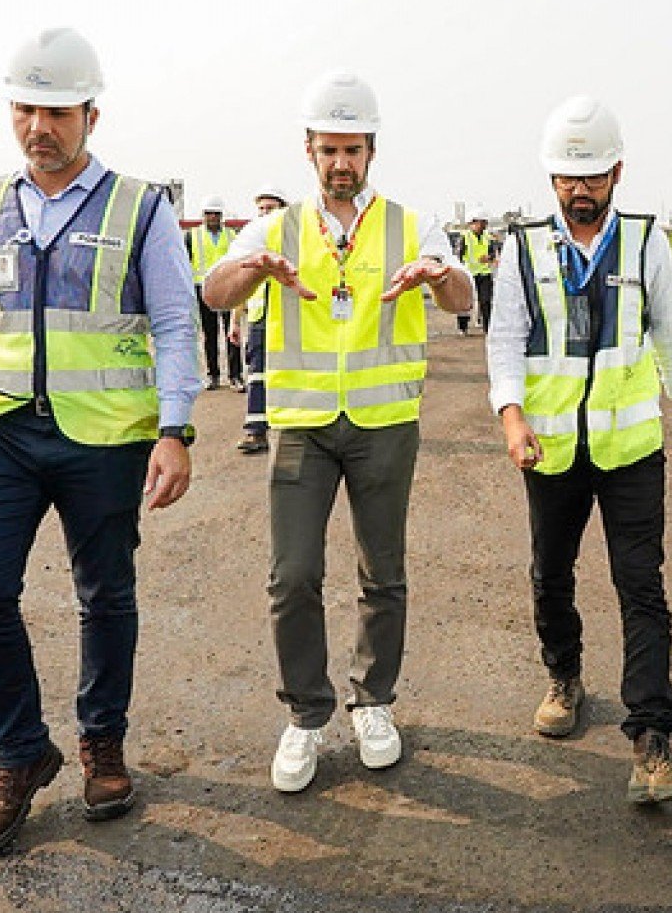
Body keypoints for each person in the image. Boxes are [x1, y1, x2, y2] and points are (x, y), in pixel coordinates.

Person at [0, 28, 199, 855]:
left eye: (59, 110)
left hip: (104, 436)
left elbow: (177, 322)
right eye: (27, 108)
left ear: (91, 116)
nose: (42, 125)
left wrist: (174, 427)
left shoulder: (141, 207)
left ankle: (101, 743)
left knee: (105, 595)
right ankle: (20, 752)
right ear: (12, 111)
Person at [201, 70, 472, 793]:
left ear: (372, 152)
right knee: (293, 576)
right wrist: (251, 270)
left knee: (382, 573)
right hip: (303, 429)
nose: (341, 163)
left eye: (353, 150)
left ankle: (373, 702)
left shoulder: (411, 226)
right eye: (329, 150)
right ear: (309, 151)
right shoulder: (279, 225)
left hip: (384, 424)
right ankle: (305, 715)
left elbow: (462, 293)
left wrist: (436, 275)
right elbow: (214, 290)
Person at [486, 96, 672, 805]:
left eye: (590, 178)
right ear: (551, 179)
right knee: (551, 573)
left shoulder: (648, 242)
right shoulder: (521, 247)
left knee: (642, 585)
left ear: (617, 172)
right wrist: (511, 418)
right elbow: (504, 341)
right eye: (565, 179)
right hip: (549, 449)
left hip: (631, 449)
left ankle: (652, 741)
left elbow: (669, 331)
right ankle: (565, 673)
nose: (578, 191)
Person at [230, 183, 287, 454]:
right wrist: (234, 321)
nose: (265, 213)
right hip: (258, 318)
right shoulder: (250, 244)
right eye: (261, 208)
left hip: (288, 321)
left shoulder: (294, 241)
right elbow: (240, 286)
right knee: (256, 375)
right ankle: (256, 431)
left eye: (270, 208)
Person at [185, 197, 244, 390]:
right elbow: (184, 265)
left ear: (221, 216)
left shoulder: (232, 236)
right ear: (203, 216)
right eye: (209, 213)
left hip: (229, 288)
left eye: (216, 214)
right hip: (203, 290)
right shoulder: (192, 236)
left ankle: (235, 375)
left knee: (232, 332)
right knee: (209, 334)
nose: (212, 217)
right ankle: (213, 375)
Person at [457, 207, 499, 334]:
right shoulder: (464, 237)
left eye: (484, 222)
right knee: (465, 302)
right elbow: (458, 255)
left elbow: (493, 253)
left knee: (486, 301)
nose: (482, 225)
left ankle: (488, 328)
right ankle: (463, 327)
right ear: (472, 223)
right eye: (480, 222)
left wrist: (489, 258)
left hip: (484, 273)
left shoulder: (488, 237)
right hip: (468, 273)